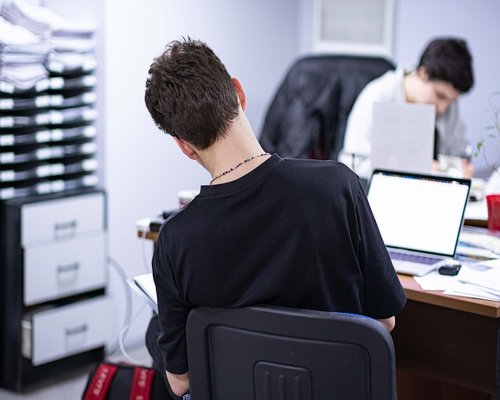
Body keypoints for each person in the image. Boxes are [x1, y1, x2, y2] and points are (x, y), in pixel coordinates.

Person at [144, 37, 406, 398]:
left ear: (183, 145)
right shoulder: (337, 186)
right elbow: (383, 321)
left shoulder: (175, 241)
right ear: (239, 93)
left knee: (153, 328)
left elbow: (180, 381)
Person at [338, 37, 475, 179]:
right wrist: (413, 167)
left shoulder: (448, 107)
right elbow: (353, 164)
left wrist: (458, 168)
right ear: (423, 73)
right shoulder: (378, 96)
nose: (442, 108)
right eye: (440, 96)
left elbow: (458, 153)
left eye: (451, 101)